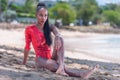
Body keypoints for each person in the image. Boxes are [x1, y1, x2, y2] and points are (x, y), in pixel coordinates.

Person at [22, 2, 99, 79]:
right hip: (40, 60)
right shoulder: (30, 29)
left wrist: (58, 36)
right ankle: (79, 74)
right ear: (36, 15)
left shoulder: (50, 27)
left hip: (51, 58)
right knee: (49, 63)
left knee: (60, 38)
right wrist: (24, 63)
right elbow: (27, 47)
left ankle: (61, 66)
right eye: (41, 15)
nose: (43, 18)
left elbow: (57, 32)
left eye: (45, 15)